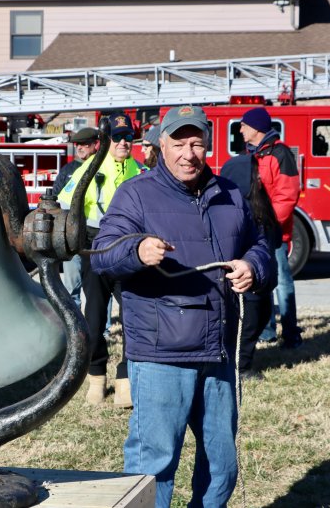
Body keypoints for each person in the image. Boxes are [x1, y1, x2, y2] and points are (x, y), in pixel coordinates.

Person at [91, 105, 271, 507]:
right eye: (179, 142)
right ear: (160, 145)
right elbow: (102, 254)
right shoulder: (136, 193)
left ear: (208, 145)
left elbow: (260, 245)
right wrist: (136, 249)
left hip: (218, 352)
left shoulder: (229, 194)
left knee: (223, 465)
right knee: (154, 465)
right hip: (161, 355)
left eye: (197, 143)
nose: (189, 153)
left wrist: (252, 267)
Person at [58, 112, 145, 407]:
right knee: (93, 322)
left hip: (129, 254)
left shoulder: (139, 171)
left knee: (134, 320)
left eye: (128, 137)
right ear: (105, 140)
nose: (124, 143)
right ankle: (97, 377)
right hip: (95, 252)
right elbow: (66, 202)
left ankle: (125, 379)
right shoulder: (89, 169)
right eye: (118, 137)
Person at [239, 107, 302, 348]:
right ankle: (266, 332)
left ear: (256, 128)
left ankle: (291, 333)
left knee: (282, 281)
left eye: (244, 124)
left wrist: (267, 225)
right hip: (253, 232)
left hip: (272, 232)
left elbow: (287, 196)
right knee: (260, 280)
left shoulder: (280, 154)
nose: (241, 128)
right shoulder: (250, 154)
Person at [221, 152, 280, 380]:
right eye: (254, 173)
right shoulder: (234, 208)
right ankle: (241, 367)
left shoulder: (258, 200)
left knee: (262, 315)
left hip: (262, 277)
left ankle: (245, 359)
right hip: (246, 280)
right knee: (249, 321)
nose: (259, 177)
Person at [52, 127, 100, 310]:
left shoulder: (103, 167)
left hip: (93, 237)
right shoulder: (68, 170)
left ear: (95, 145)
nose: (79, 148)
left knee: (97, 288)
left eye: (85, 144)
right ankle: (75, 326)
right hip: (72, 237)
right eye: (77, 144)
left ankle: (101, 330)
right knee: (72, 286)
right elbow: (57, 196)